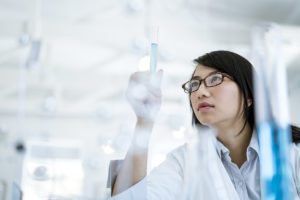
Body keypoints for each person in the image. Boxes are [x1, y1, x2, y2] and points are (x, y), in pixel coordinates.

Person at [108, 50, 300, 199]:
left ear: (249, 95)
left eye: (215, 79)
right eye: (194, 85)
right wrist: (144, 121)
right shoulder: (184, 161)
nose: (200, 92)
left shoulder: (293, 151)